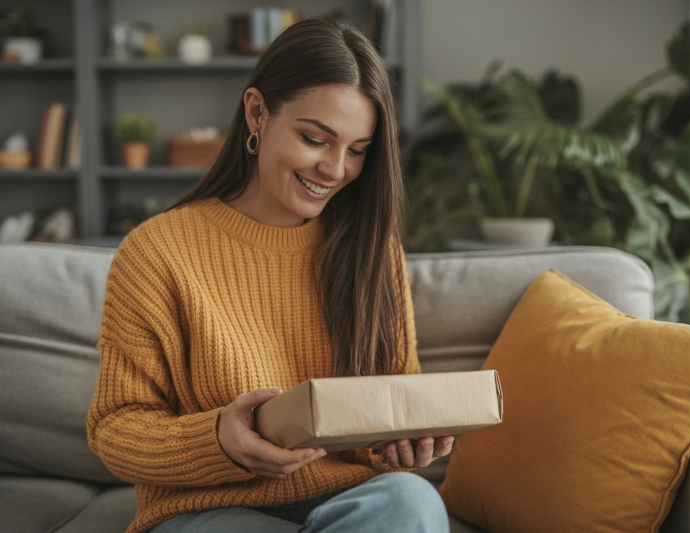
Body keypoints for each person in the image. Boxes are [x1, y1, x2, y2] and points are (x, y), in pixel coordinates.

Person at [86, 17, 454, 533]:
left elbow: (391, 409)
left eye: (357, 150)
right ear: (257, 113)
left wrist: (404, 445)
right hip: (208, 510)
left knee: (413, 502)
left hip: (349, 503)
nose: (335, 169)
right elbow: (116, 431)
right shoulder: (157, 251)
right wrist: (218, 439)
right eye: (314, 138)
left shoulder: (374, 251)